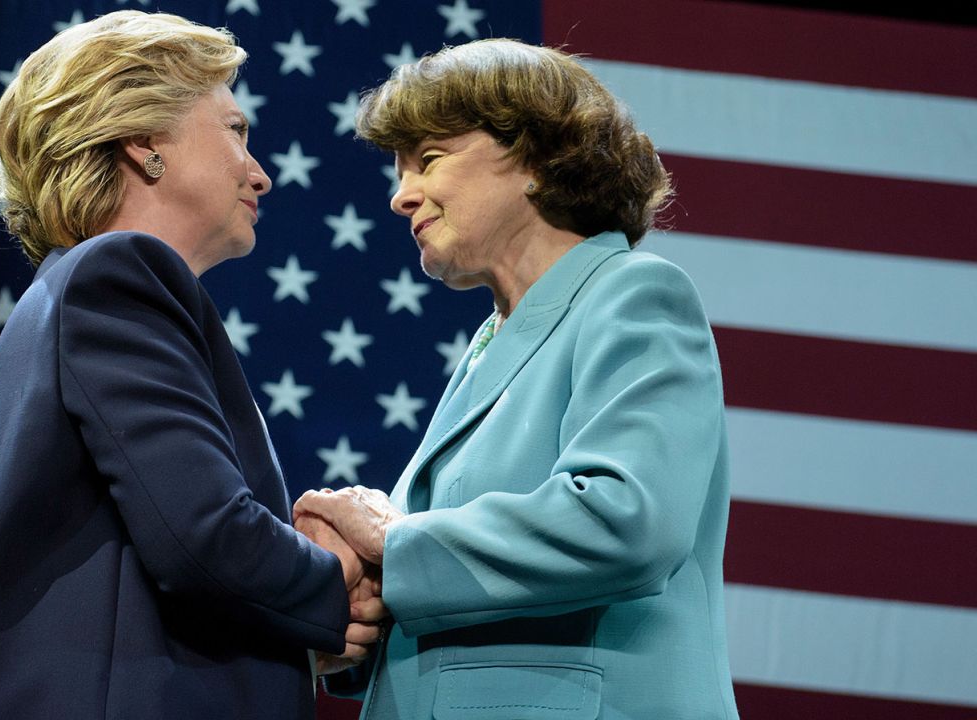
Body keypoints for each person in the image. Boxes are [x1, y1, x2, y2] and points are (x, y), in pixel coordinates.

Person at [0, 12, 382, 719]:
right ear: (144, 142)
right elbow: (206, 538)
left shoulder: (80, 287)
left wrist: (298, 607)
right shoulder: (117, 273)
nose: (260, 174)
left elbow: (170, 554)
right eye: (236, 131)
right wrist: (344, 565)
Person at [295, 39, 739, 719]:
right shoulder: (495, 341)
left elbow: (627, 522)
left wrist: (392, 545)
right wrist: (362, 613)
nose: (400, 196)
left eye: (429, 161)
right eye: (399, 170)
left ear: (535, 159)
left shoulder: (633, 293)